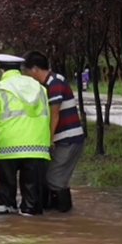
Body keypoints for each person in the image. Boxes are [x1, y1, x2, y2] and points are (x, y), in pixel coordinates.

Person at [0, 54, 51, 216]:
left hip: (8, 146)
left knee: (6, 190)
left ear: (2, 71)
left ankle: (6, 215)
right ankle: (30, 217)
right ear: (20, 69)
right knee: (32, 194)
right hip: (37, 146)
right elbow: (47, 116)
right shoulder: (40, 88)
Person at [22, 51, 84, 213]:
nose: (27, 76)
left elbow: (54, 114)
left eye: (27, 72)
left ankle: (64, 216)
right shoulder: (47, 84)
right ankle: (61, 216)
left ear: (35, 69)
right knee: (53, 178)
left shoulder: (55, 83)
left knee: (54, 180)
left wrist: (48, 141)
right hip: (63, 139)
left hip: (68, 139)